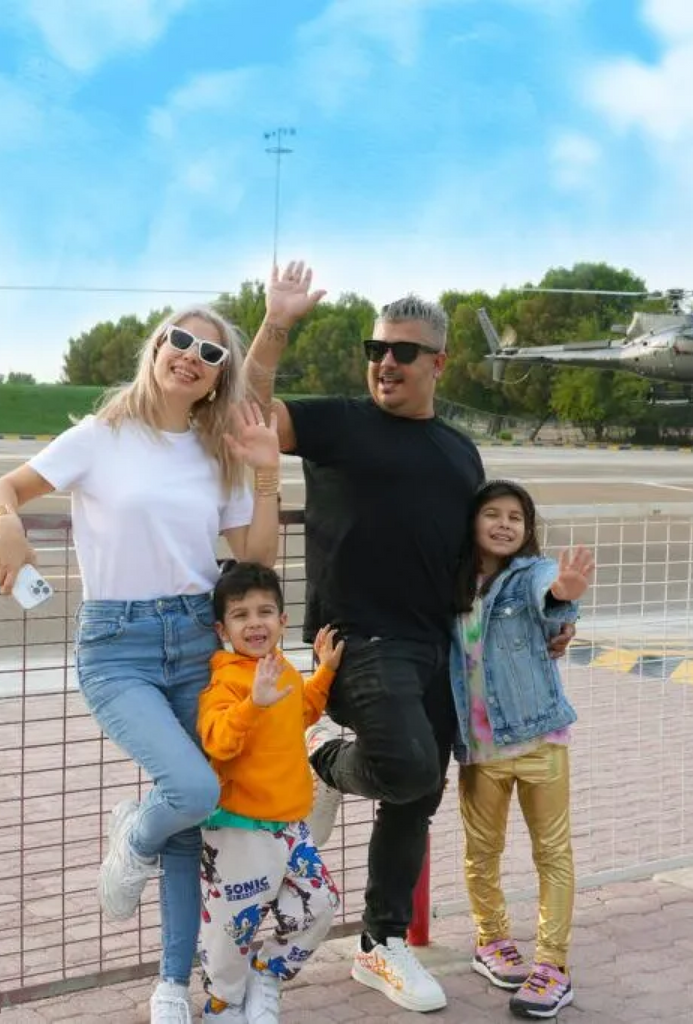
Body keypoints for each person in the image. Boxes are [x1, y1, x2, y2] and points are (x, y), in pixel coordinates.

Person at [242, 264, 575, 1013]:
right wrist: (278, 323)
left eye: (402, 352)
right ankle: (327, 764)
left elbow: (490, 563)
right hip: (359, 637)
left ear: (438, 364)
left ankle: (380, 944)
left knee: (418, 793)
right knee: (407, 762)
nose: (384, 362)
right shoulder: (337, 422)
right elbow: (248, 406)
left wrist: (546, 625)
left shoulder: (462, 454)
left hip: (446, 647)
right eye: (376, 348)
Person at [0, 307, 281, 1024]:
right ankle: (132, 835)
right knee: (190, 788)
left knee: (189, 820)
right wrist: (12, 527)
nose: (190, 355)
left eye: (209, 352)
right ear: (156, 349)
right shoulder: (101, 436)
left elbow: (255, 556)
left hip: (195, 641)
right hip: (118, 647)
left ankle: (171, 986)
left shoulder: (218, 454)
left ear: (218, 377)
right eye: (179, 339)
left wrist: (267, 474)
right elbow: (3, 491)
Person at [451, 480, 593, 1020]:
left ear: (528, 529)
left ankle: (552, 966)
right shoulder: (456, 583)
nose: (506, 524)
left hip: (540, 740)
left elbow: (551, 599)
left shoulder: (527, 575)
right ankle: (491, 941)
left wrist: (565, 593)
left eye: (517, 516)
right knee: (481, 852)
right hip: (480, 749)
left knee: (551, 853)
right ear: (473, 522)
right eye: (493, 514)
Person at [196, 562, 344, 1023]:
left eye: (265, 611)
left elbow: (300, 712)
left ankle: (268, 972)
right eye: (240, 615)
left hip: (290, 828)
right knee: (231, 930)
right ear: (223, 628)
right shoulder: (225, 681)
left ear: (283, 620)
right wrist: (250, 705)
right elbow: (217, 739)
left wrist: (322, 673)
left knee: (321, 904)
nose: (254, 622)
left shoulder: (281, 671)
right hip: (237, 831)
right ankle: (223, 1004)